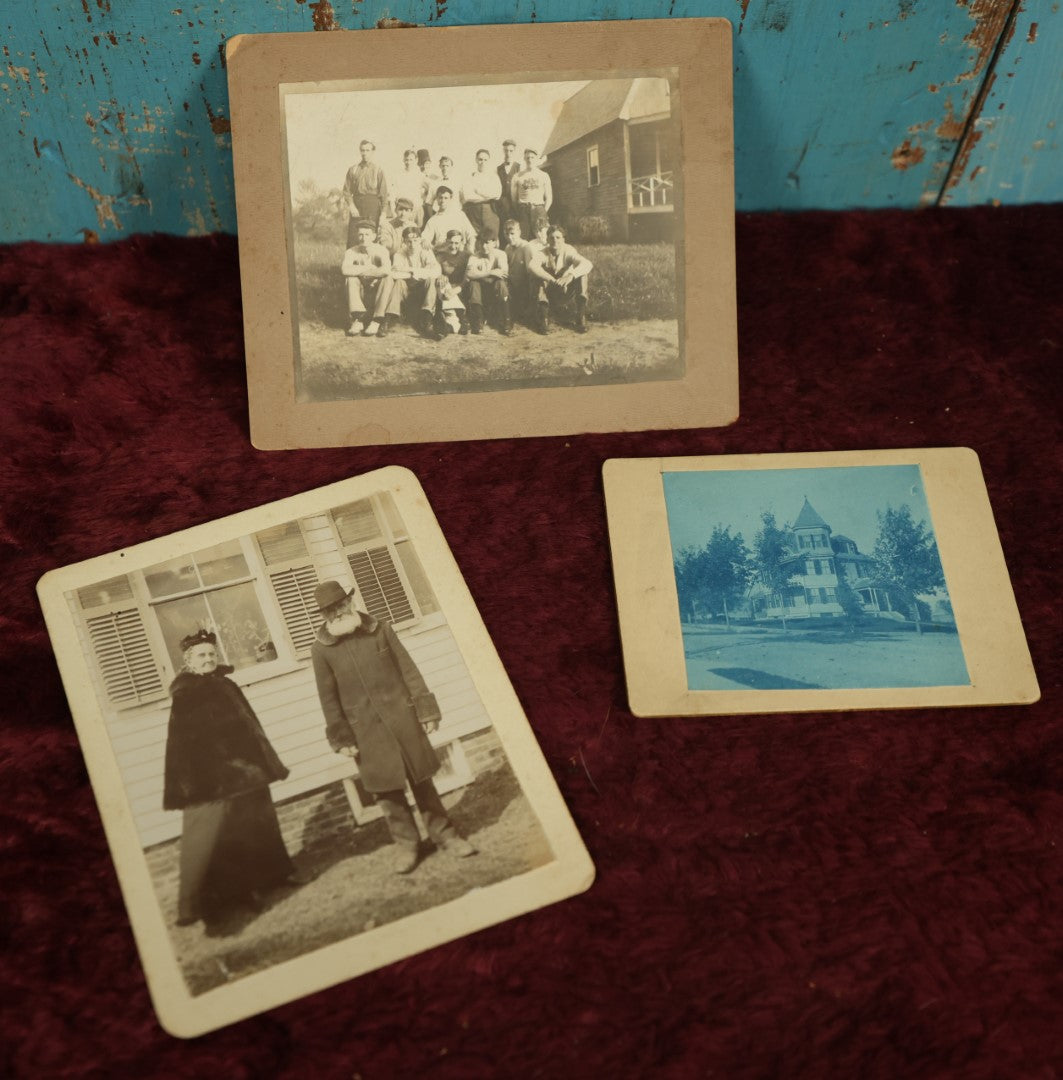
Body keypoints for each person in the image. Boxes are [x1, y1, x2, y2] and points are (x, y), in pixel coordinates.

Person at [311, 582, 476, 874]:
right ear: (323, 615)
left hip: (404, 721)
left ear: (350, 603)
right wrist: (342, 738)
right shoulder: (321, 650)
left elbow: (409, 671)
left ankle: (446, 836)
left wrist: (426, 711)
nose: (336, 614)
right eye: (329, 611)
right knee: (387, 793)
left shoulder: (381, 630)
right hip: (364, 732)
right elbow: (328, 699)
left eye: (339, 606)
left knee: (422, 782)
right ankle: (408, 846)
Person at [163, 629, 307, 926]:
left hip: (250, 770)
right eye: (201, 655)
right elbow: (182, 743)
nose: (208, 659)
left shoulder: (226, 684)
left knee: (262, 824)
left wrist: (262, 762)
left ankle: (275, 875)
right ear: (189, 661)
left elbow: (250, 726)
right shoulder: (186, 693)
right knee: (233, 835)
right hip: (220, 777)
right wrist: (199, 782)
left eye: (212, 654)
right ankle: (242, 892)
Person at [528, 224, 593, 334]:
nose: (555, 240)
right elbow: (532, 266)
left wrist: (570, 275)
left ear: (563, 239)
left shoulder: (569, 250)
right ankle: (544, 318)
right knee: (538, 278)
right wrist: (551, 279)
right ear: (547, 239)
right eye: (551, 237)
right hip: (549, 293)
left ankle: (580, 317)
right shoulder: (542, 253)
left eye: (558, 237)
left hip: (566, 289)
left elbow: (587, 263)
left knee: (582, 276)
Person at [379, 225, 441, 339]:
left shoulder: (426, 252)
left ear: (420, 240)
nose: (412, 244)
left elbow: (436, 272)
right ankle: (387, 320)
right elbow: (394, 274)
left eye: (415, 241)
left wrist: (409, 270)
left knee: (431, 281)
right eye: (409, 241)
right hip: (406, 291)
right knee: (399, 282)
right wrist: (417, 274)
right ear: (404, 241)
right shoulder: (399, 254)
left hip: (422, 291)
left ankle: (427, 320)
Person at [341, 220, 392, 337]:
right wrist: (368, 268)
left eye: (367, 235)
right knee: (350, 278)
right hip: (361, 286)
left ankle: (377, 320)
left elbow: (386, 270)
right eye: (360, 234)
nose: (363, 238)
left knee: (387, 278)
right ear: (357, 235)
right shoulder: (351, 252)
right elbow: (345, 270)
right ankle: (358, 319)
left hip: (377, 286)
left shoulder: (381, 250)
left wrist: (368, 273)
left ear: (374, 236)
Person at [463, 229, 511, 335]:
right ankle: (478, 321)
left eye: (487, 242)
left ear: (494, 242)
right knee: (473, 284)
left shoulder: (500, 254)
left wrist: (480, 274)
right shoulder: (474, 256)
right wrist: (490, 272)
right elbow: (469, 274)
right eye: (482, 242)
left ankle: (506, 321)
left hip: (495, 291)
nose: (484, 246)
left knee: (501, 283)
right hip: (481, 292)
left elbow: (503, 273)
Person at [342, 140, 389, 244]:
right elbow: (346, 191)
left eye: (367, 150)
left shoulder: (378, 170)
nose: (365, 153)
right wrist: (351, 206)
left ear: (372, 152)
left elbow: (384, 194)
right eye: (362, 150)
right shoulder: (353, 169)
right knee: (354, 236)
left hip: (372, 206)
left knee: (371, 235)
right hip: (357, 205)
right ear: (360, 151)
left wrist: (383, 213)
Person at [459, 149, 502, 242]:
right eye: (480, 159)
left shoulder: (493, 177)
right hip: (473, 211)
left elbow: (497, 194)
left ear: (489, 161)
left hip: (490, 210)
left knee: (491, 239)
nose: (482, 162)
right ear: (476, 160)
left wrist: (478, 191)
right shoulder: (470, 177)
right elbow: (467, 196)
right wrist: (486, 196)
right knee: (474, 238)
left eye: (485, 160)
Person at [510, 148, 552, 243]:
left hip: (539, 208)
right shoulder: (517, 176)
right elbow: (513, 199)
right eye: (527, 157)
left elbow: (549, 197)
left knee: (543, 238)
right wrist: (520, 210)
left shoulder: (544, 175)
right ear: (524, 159)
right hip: (523, 209)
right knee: (524, 238)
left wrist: (543, 212)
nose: (530, 160)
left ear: (536, 159)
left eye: (532, 157)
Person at [434, 229, 471, 334]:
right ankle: (461, 322)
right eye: (451, 242)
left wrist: (456, 290)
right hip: (446, 291)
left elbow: (467, 278)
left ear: (461, 243)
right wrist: (440, 275)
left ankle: (453, 323)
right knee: (441, 282)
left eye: (456, 243)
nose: (453, 246)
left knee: (449, 289)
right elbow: (436, 271)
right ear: (446, 241)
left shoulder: (466, 256)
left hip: (461, 289)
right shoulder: (440, 256)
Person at [420, 187, 476, 253]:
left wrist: (470, 250)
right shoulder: (433, 220)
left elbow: (471, 235)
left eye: (446, 198)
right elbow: (425, 237)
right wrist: (425, 241)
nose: (443, 201)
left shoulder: (460, 215)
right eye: (440, 198)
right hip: (442, 254)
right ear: (437, 199)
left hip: (460, 253)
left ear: (450, 199)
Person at [502, 218, 536, 323]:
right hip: (512, 283)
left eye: (512, 233)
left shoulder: (526, 247)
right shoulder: (507, 248)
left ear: (519, 232)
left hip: (523, 285)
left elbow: (530, 272)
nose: (510, 237)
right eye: (507, 234)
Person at [390, 149, 428, 226]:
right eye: (407, 160)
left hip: (416, 210)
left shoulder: (421, 176)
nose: (409, 162)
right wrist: (394, 213)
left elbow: (427, 192)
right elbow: (392, 196)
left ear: (416, 160)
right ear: (403, 160)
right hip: (403, 210)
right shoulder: (398, 176)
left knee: (416, 234)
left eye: (411, 160)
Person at [495, 139, 520, 228]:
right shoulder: (498, 169)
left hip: (516, 206)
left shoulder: (519, 167)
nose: (508, 153)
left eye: (511, 151)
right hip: (503, 207)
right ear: (503, 151)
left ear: (514, 151)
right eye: (506, 150)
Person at [416, 148, 438, 224]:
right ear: (418, 164)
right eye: (422, 164)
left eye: (427, 163)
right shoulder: (416, 177)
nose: (425, 166)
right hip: (420, 207)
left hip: (432, 207)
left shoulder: (435, 177)